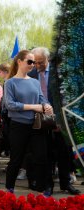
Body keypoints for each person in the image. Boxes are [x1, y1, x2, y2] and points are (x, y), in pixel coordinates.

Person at [28, 47, 80, 195]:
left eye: (40, 63)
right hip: (40, 120)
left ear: (48, 59)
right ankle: (48, 185)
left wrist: (60, 120)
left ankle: (66, 184)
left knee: (64, 153)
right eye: (34, 63)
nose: (37, 66)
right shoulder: (31, 75)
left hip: (60, 119)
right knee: (45, 155)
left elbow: (67, 98)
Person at [4, 50, 54, 196]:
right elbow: (10, 105)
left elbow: (41, 98)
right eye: (30, 61)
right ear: (19, 62)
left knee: (41, 158)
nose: (33, 65)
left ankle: (44, 188)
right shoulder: (10, 82)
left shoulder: (35, 82)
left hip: (37, 126)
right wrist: (32, 107)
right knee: (16, 159)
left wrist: (47, 105)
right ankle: (9, 189)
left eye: (34, 62)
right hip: (18, 126)